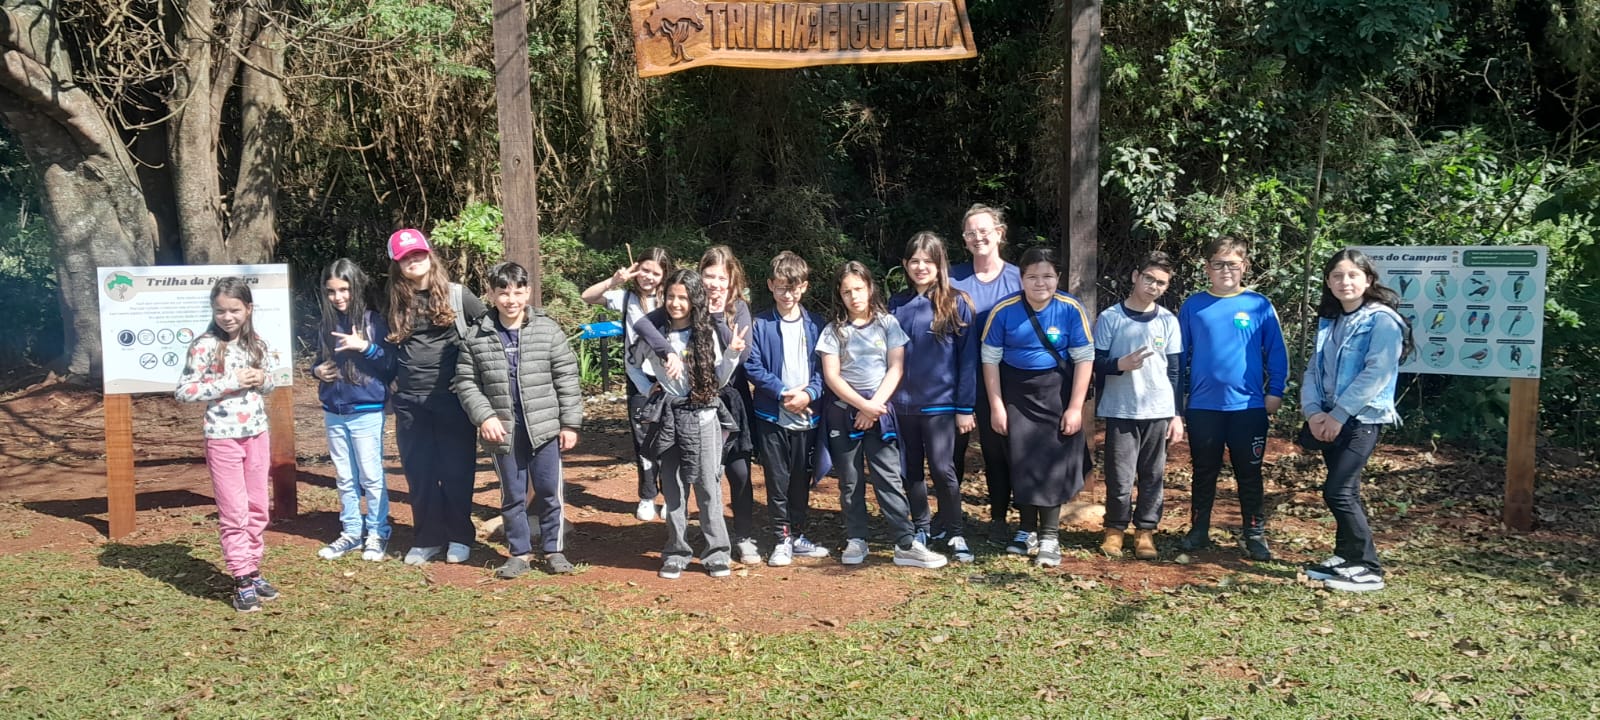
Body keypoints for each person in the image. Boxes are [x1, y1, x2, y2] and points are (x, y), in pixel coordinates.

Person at [454, 262, 584, 578]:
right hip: (502, 431)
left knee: (550, 490)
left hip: (544, 427)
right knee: (513, 493)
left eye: (517, 292)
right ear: (491, 294)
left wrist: (570, 424)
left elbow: (567, 377)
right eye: (503, 293)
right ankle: (519, 553)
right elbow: (466, 381)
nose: (510, 300)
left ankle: (554, 550)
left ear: (528, 292)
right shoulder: (477, 335)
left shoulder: (547, 330)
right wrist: (484, 416)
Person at [634, 247, 760, 564]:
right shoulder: (666, 321)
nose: (714, 283)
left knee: (719, 480)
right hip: (675, 412)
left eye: (721, 278)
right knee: (675, 484)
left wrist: (726, 341)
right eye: (708, 276)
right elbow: (637, 347)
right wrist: (653, 379)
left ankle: (728, 544)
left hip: (715, 408)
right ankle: (678, 547)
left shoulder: (725, 318)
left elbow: (730, 367)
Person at [818, 261, 947, 569]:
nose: (854, 297)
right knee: (850, 480)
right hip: (844, 412)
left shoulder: (888, 324)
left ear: (870, 288)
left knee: (888, 477)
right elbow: (832, 376)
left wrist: (873, 406)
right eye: (847, 291)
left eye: (859, 289)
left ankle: (905, 543)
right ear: (839, 294)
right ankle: (856, 538)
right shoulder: (833, 330)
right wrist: (860, 406)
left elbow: (896, 367)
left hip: (880, 411)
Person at [1300, 249, 1411, 592]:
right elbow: (1314, 370)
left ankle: (1369, 567)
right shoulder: (1331, 320)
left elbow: (1377, 372)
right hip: (1328, 419)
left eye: (1352, 275)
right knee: (1345, 490)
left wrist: (1338, 414)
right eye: (1337, 276)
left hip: (1361, 419)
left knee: (1338, 492)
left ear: (1368, 280)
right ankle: (1345, 556)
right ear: (1327, 281)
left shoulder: (1382, 320)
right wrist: (1313, 412)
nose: (1344, 282)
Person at [980, 247, 1094, 568]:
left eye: (1047, 276)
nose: (1040, 283)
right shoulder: (1004, 310)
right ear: (1021, 278)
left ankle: (1050, 536)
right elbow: (989, 360)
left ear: (1058, 278)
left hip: (1056, 393)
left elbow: (1085, 359)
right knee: (1021, 461)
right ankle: (1026, 529)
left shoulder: (1071, 309)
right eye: (1032, 276)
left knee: (1051, 462)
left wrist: (1075, 408)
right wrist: (996, 406)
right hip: (1015, 393)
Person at [1177, 237, 1289, 560]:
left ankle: (1254, 533)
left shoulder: (1259, 305)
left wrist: (1275, 391)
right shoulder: (1193, 306)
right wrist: (1177, 399)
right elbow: (1178, 356)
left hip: (1248, 407)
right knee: (1204, 471)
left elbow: (1277, 352)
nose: (1225, 270)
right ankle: (1199, 530)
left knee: (1249, 473)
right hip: (1203, 407)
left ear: (1245, 266)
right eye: (1218, 264)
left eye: (1232, 264)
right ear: (1206, 268)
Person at [175, 277, 281, 612]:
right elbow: (184, 391)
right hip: (222, 438)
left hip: (257, 435)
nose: (227, 317)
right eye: (220, 310)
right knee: (234, 512)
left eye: (234, 310)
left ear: (248, 309)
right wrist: (228, 382)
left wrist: (263, 379)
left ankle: (253, 568)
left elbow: (271, 382)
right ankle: (241, 578)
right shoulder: (204, 345)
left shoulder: (257, 344)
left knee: (258, 507)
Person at [383, 228, 487, 566]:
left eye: (418, 254)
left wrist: (475, 379)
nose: (413, 261)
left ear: (429, 255)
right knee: (420, 473)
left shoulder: (459, 296)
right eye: (405, 258)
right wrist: (390, 383)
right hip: (410, 401)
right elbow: (385, 346)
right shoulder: (393, 300)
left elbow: (488, 332)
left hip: (452, 399)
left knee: (457, 470)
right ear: (397, 265)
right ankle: (427, 538)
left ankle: (460, 536)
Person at [889, 232, 979, 563]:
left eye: (928, 261)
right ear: (904, 265)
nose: (921, 267)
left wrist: (965, 407)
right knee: (910, 469)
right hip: (902, 405)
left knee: (943, 468)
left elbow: (968, 360)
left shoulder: (957, 302)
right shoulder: (895, 304)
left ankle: (954, 531)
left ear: (940, 264)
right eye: (914, 261)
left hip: (942, 404)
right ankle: (921, 528)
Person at [1093, 252, 1183, 560]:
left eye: (1161, 283)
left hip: (1158, 410)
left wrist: (1176, 414)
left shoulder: (1168, 320)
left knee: (1152, 475)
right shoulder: (1111, 317)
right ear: (1135, 276)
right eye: (1149, 279)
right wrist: (1120, 364)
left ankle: (1145, 531)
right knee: (1119, 475)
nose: (1153, 286)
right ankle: (1114, 529)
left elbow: (1175, 371)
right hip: (1120, 409)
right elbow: (1095, 362)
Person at [744, 251, 831, 566]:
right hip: (772, 415)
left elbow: (826, 368)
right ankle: (781, 539)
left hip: (808, 414)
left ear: (804, 287)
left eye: (793, 288)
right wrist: (782, 392)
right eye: (781, 287)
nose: (787, 294)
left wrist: (809, 394)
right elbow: (751, 365)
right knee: (777, 479)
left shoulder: (817, 325)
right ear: (770, 285)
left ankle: (797, 535)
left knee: (799, 480)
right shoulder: (759, 324)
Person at [312, 259, 397, 563]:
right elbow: (318, 361)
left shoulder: (374, 321)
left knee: (371, 476)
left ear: (356, 287)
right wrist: (316, 371)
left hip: (366, 411)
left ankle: (377, 531)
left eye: (344, 289)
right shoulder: (325, 324)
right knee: (345, 477)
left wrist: (364, 347)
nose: (338, 297)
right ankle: (351, 531)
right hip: (333, 411)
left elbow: (390, 364)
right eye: (331, 291)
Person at [580, 247, 673, 522]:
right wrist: (614, 280)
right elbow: (587, 296)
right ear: (636, 269)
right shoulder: (626, 298)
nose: (648, 277)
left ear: (665, 275)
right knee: (644, 440)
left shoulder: (671, 299)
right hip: (638, 376)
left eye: (655, 273)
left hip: (671, 377)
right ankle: (647, 496)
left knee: (672, 439)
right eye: (644, 270)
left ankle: (671, 496)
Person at [949, 204, 1022, 545]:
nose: (978, 237)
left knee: (997, 451)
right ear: (964, 239)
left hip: (1004, 380)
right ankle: (948, 516)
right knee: (951, 451)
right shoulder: (951, 278)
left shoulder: (1020, 278)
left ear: (999, 233)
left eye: (984, 231)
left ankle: (999, 518)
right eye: (970, 233)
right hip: (956, 378)